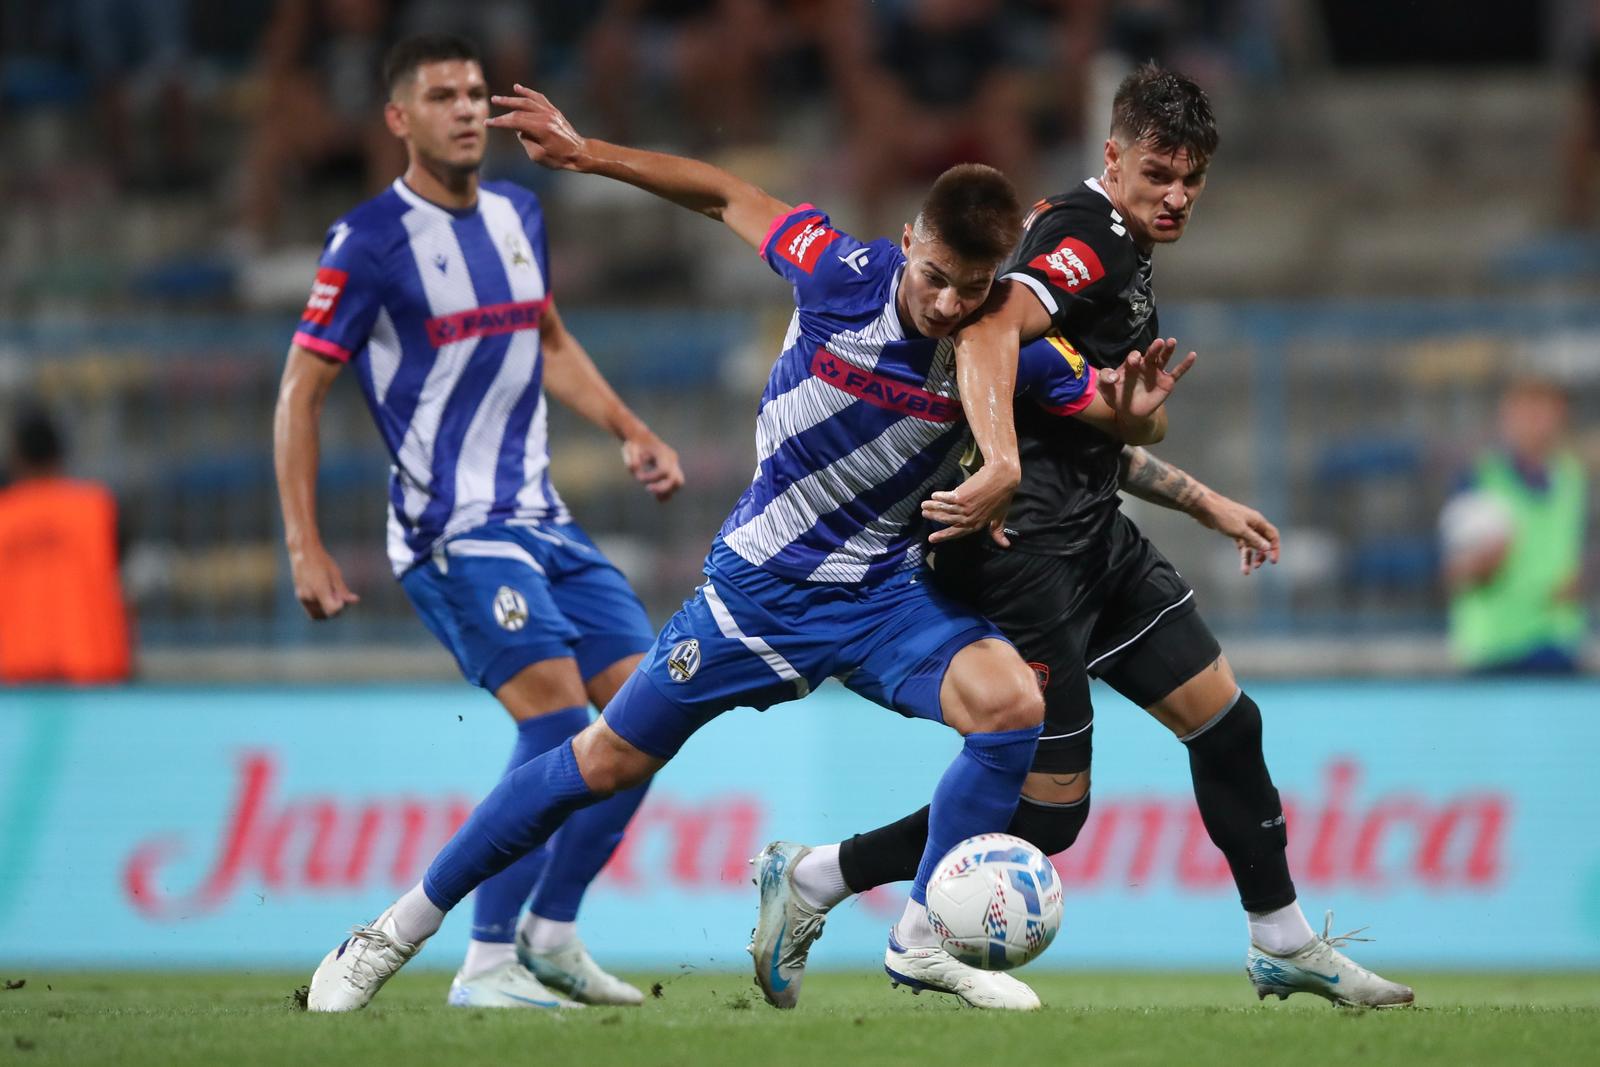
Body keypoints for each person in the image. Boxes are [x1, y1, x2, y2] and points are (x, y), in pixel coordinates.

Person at [303, 84, 1195, 1013]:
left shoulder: (999, 341)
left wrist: (1142, 418)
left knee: (1012, 703)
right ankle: (391, 931)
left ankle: (923, 936)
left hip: (881, 597)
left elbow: (1120, 416)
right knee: (603, 761)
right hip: (758, 592)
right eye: (934, 275)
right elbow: (726, 193)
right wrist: (587, 151)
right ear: (907, 238)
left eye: (972, 288)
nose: (946, 302)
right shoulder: (837, 270)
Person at [751, 64, 1415, 1011]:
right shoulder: (1082, 238)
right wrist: (999, 469)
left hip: (1095, 538)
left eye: (1191, 179)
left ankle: (1284, 941)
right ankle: (817, 876)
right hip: (1024, 561)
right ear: (1114, 156)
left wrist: (1205, 502)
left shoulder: (1124, 247)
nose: (1175, 196)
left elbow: (1077, 412)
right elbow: (990, 329)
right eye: (1157, 174)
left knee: (1229, 723)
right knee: (1051, 819)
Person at [272, 34, 685, 1011]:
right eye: (442, 96)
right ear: (399, 119)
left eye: (473, 94)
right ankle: (478, 956)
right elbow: (299, 394)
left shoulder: (518, 214)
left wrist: (627, 425)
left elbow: (544, 337)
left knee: (649, 712)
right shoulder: (368, 241)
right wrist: (302, 539)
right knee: (555, 720)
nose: (465, 110)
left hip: (542, 514)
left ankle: (550, 933)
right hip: (450, 528)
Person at [1442, 379, 1587, 674]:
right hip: (1494, 650)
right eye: (1527, 413)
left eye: (1545, 413)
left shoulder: (1573, 478)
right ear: (1507, 417)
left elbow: (1577, 553)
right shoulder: (1478, 477)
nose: (1536, 424)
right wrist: (1481, 564)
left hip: (1558, 645)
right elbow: (1453, 570)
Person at [0, 406, 133, 685]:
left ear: (17, 459)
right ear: (60, 455)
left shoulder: (5, 516)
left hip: (15, 680)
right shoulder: (98, 508)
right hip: (92, 674)